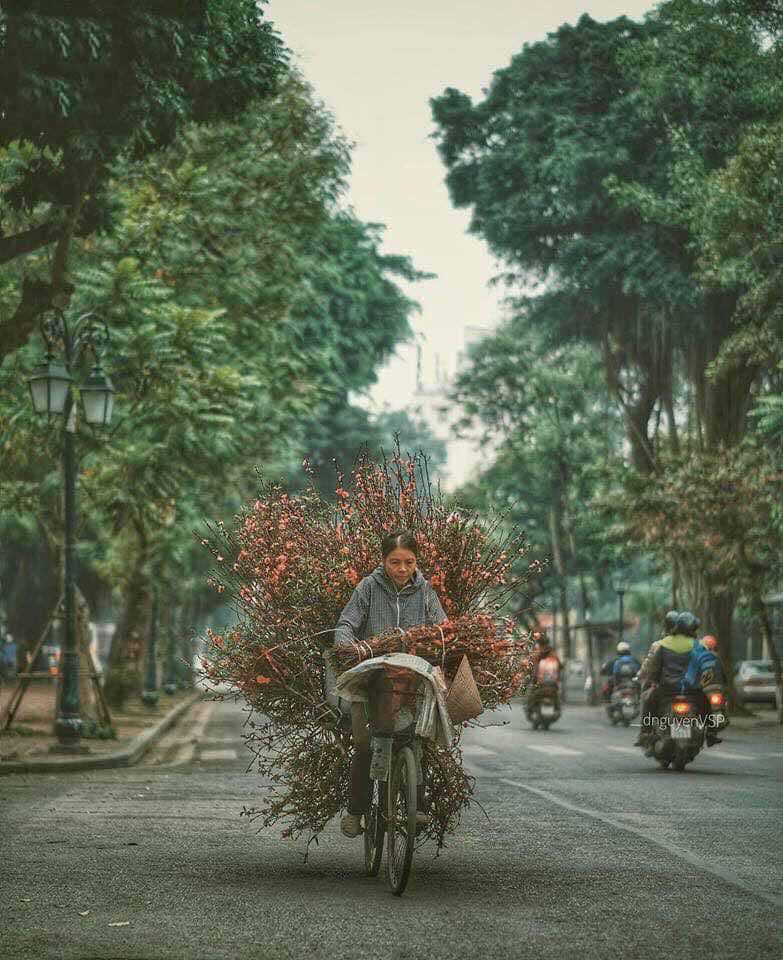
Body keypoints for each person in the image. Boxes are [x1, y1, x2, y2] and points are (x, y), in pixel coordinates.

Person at [333, 528, 447, 838]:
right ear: (384, 561)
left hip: (411, 678)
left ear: (416, 562)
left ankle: (417, 802)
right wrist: (349, 647)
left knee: (419, 739)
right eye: (395, 562)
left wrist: (438, 651)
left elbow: (442, 630)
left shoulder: (425, 592)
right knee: (364, 744)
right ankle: (356, 810)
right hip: (372, 676)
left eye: (409, 562)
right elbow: (345, 625)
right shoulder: (368, 588)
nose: (402, 569)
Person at [634, 610, 718, 749]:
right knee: (706, 704)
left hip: (666, 690)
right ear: (691, 629)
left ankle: (646, 733)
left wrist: (652, 681)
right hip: (692, 691)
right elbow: (707, 670)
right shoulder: (698, 646)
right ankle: (711, 734)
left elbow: (654, 668)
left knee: (649, 703)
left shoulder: (663, 644)